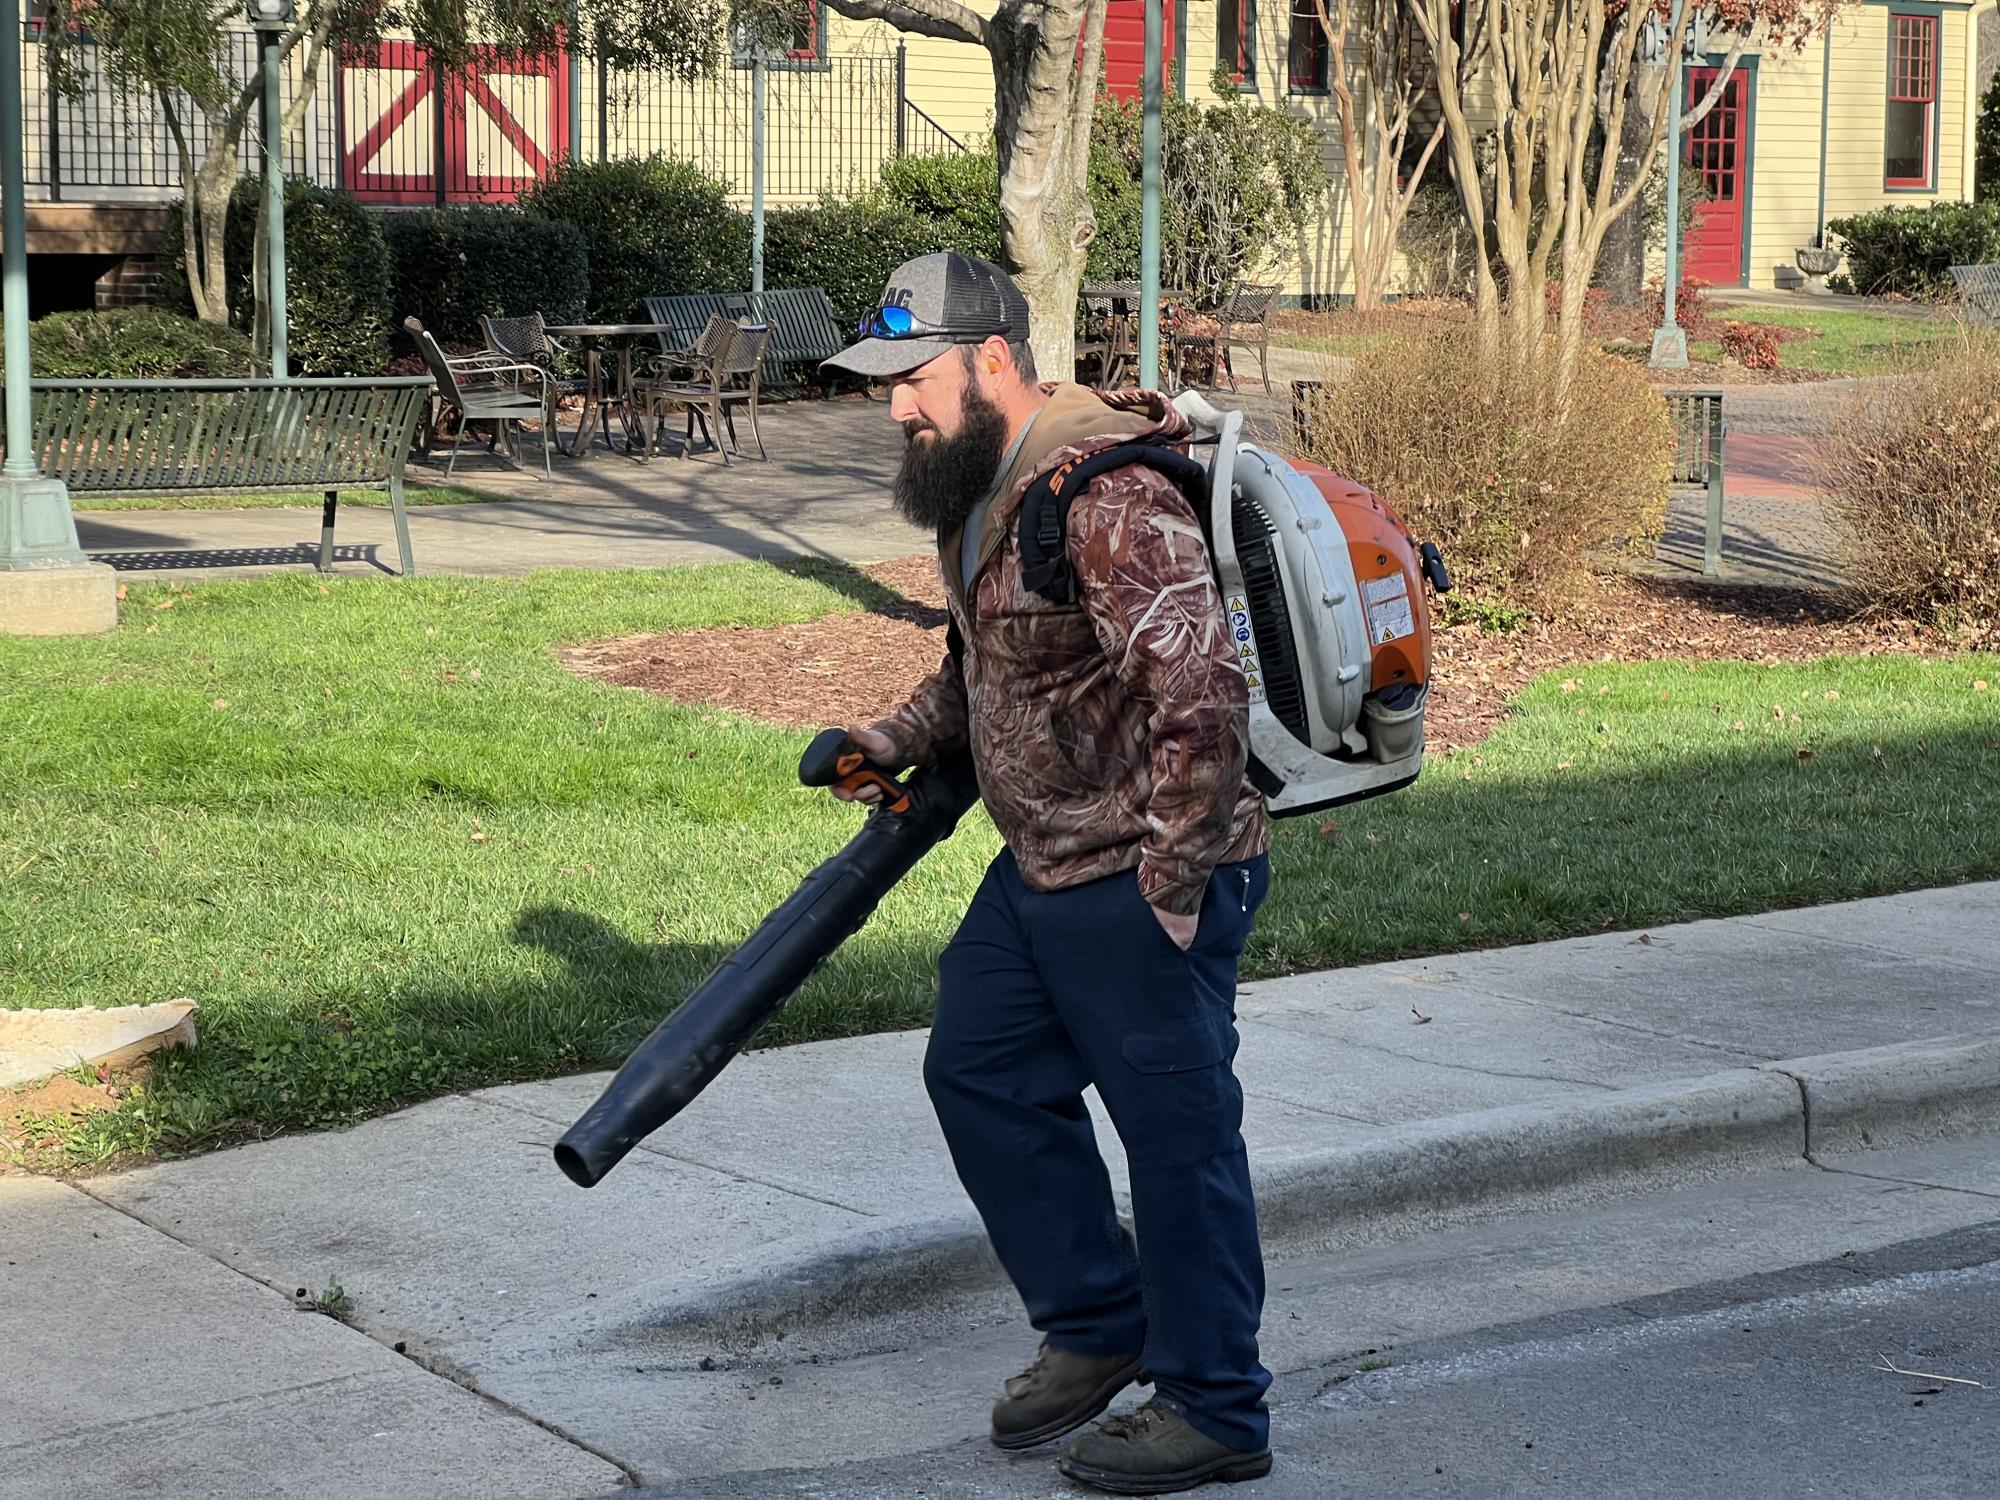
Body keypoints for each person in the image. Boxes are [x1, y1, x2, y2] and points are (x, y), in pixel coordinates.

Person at [819, 252, 1273, 1496]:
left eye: (913, 382)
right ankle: (1095, 1322)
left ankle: (1217, 1404)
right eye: (887, 386)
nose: (898, 409)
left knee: (1175, 1142)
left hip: (1138, 870)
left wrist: (1169, 886)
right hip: (1042, 866)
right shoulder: (986, 489)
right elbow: (991, 667)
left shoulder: (1105, 495)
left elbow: (1199, 698)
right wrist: (892, 741)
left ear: (993, 362)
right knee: (977, 1072)